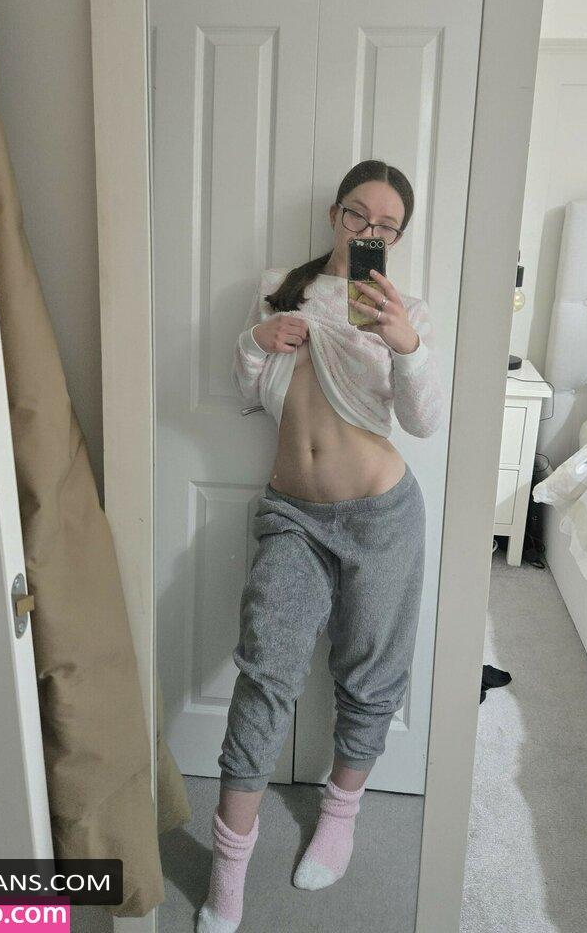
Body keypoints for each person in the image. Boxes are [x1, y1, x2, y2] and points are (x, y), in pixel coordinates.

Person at [197, 159, 446, 932]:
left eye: (386, 226)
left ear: (397, 238)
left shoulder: (404, 310)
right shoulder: (284, 287)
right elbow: (249, 394)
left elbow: (423, 421)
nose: (369, 231)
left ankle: (339, 817)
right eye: (357, 214)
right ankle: (228, 872)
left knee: (369, 675)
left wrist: (406, 343)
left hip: (382, 514)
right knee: (265, 674)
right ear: (336, 214)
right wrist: (256, 338)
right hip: (293, 515)